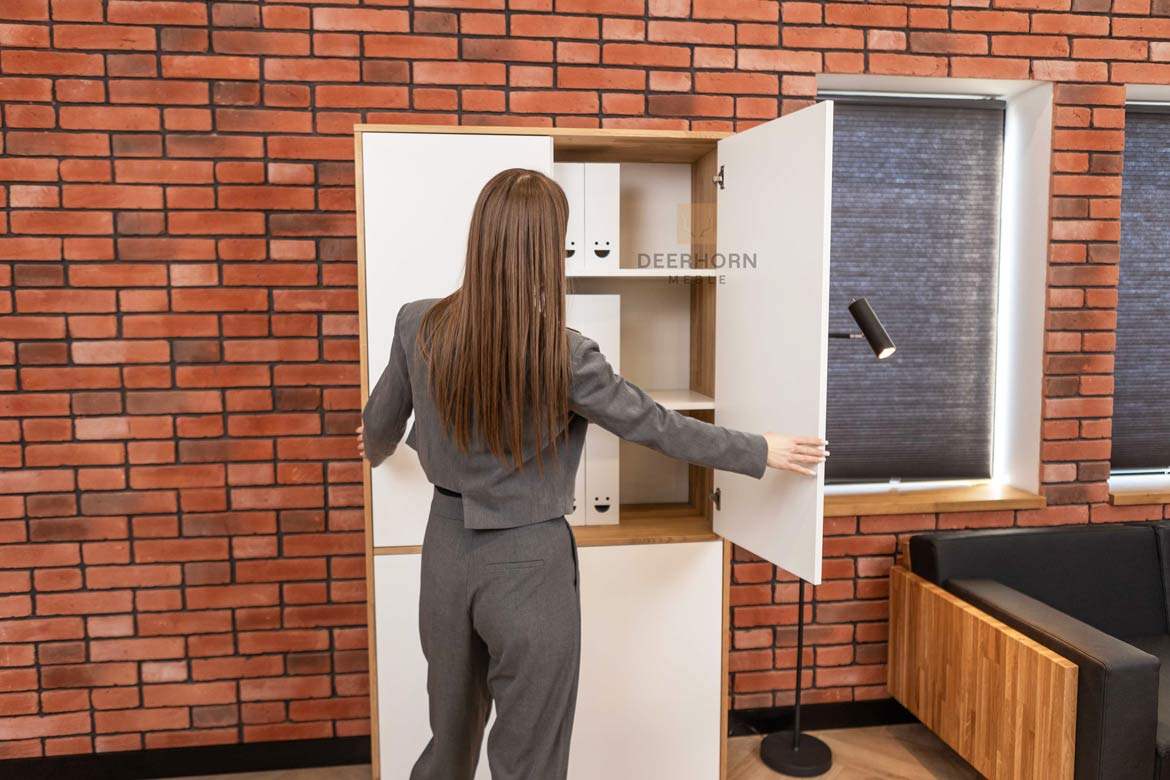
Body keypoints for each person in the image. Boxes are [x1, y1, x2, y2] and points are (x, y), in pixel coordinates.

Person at [356, 168, 827, 780]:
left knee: (447, 744)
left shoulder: (417, 322)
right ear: (549, 247)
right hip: (530, 564)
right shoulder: (566, 352)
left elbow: (376, 428)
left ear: (481, 236)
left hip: (444, 554)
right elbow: (656, 425)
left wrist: (380, 445)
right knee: (530, 761)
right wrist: (759, 449)